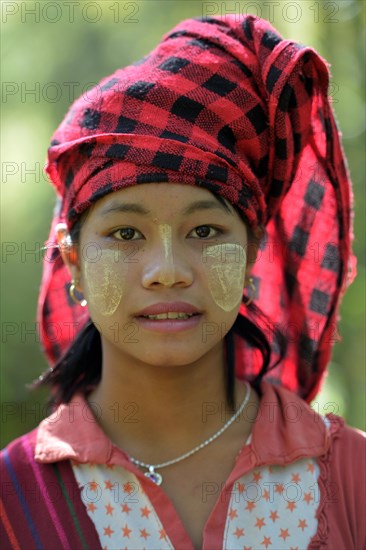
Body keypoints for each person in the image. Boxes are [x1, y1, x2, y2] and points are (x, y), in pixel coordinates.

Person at [1, 14, 364, 550]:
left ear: (250, 254)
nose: (167, 270)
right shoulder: (14, 499)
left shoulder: (348, 480)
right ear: (73, 261)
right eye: (126, 232)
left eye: (204, 230)